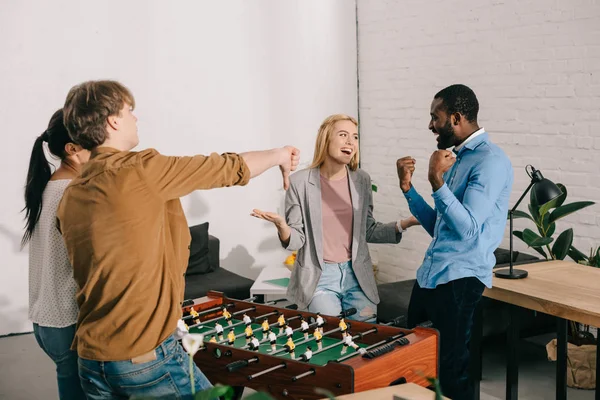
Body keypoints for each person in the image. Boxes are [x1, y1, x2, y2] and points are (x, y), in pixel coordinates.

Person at [56, 80, 300, 399]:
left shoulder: (70, 195)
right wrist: (280, 154)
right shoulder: (139, 170)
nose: (135, 118)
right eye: (129, 111)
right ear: (113, 121)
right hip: (144, 356)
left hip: (91, 358)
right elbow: (228, 167)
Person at [396, 84, 513, 400]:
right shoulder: (454, 159)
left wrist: (436, 182)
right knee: (416, 366)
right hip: (431, 276)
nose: (430, 125)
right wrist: (409, 189)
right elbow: (442, 228)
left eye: (435, 117)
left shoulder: (490, 162)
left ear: (457, 118)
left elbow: (470, 229)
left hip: (460, 281)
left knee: (452, 373)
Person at [252, 114, 418, 321]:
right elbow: (296, 240)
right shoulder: (300, 182)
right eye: (343, 135)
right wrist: (281, 225)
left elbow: (368, 230)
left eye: (355, 137)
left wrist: (405, 224)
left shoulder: (362, 180)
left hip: (357, 275)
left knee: (365, 338)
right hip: (320, 278)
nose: (351, 141)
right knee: (331, 336)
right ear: (326, 139)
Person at [22, 109, 90, 400]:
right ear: (72, 149)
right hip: (67, 321)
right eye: (94, 142)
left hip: (47, 319)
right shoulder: (72, 191)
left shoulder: (51, 185)